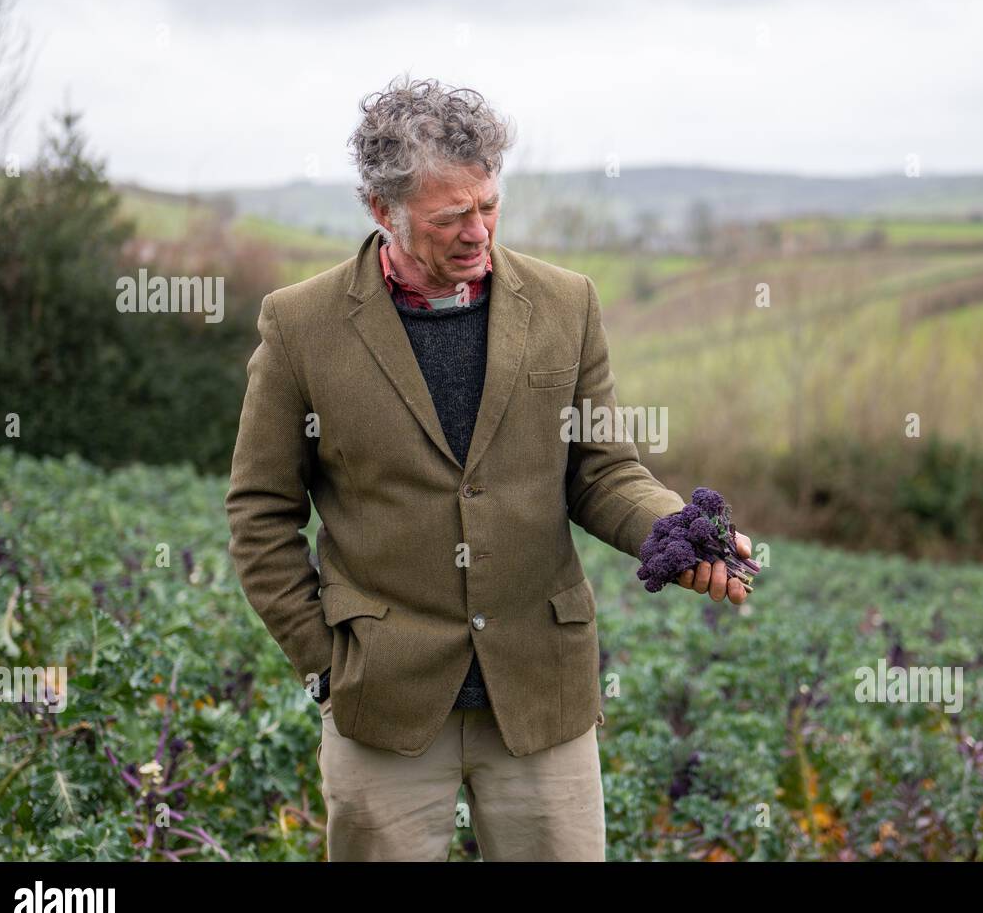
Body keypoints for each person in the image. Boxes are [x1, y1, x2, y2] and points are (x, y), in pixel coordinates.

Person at [224, 75, 750, 861]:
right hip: (384, 704)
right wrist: (326, 665)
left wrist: (670, 532)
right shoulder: (302, 327)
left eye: (489, 206)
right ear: (381, 210)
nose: (478, 232)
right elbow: (259, 513)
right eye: (450, 217)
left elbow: (603, 470)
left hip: (542, 696)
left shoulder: (566, 304)